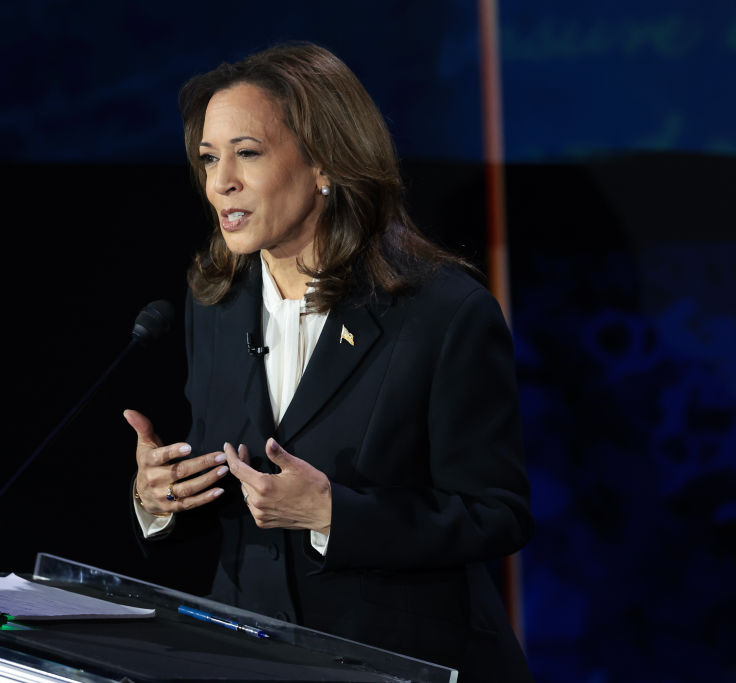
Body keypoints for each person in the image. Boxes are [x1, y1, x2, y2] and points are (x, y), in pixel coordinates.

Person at [124, 42, 534, 682]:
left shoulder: (440, 311)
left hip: (397, 662)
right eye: (208, 157)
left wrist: (333, 515)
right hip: (247, 659)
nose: (218, 180)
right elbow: (233, 494)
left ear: (325, 162)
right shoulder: (217, 300)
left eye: (247, 153)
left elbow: (496, 513)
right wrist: (162, 497)